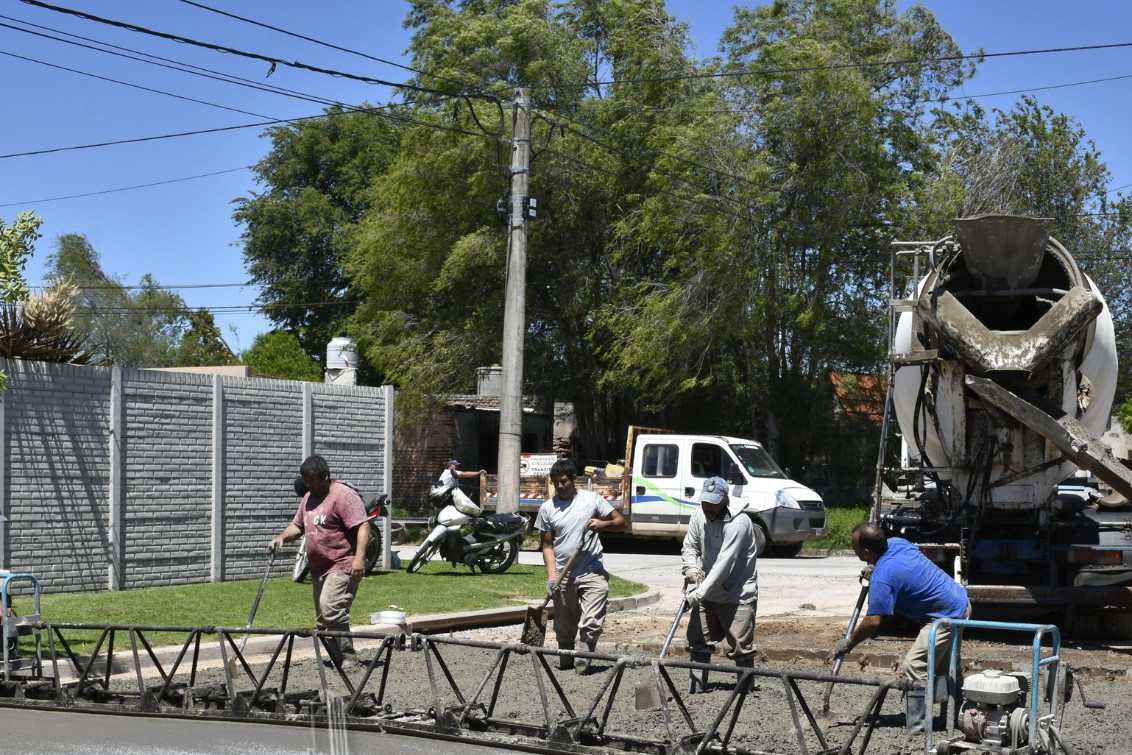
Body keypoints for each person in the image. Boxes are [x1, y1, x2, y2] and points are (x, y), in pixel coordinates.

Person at [833, 522, 970, 732]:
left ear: (867, 551)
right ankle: (953, 718)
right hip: (959, 602)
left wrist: (849, 642)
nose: (853, 549)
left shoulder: (883, 577)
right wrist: (877, 567)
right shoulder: (898, 543)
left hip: (945, 618)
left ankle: (918, 724)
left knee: (915, 666)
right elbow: (901, 568)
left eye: (855, 546)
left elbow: (873, 621)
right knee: (945, 667)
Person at [269, 455, 371, 668]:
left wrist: (360, 558)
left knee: (330, 609)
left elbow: (363, 526)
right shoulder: (308, 498)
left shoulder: (343, 496)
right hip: (319, 569)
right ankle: (338, 660)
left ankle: (349, 659)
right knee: (322, 621)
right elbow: (298, 527)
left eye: (313, 480)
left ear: (326, 477)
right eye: (306, 480)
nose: (309, 484)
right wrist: (281, 537)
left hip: (342, 564)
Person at [535, 459, 626, 673]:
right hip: (563, 574)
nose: (560, 486)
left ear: (574, 479)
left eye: (564, 481)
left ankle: (583, 663)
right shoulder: (548, 508)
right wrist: (551, 578)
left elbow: (621, 523)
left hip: (591, 570)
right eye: (556, 482)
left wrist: (603, 524)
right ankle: (566, 661)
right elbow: (547, 546)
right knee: (564, 626)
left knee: (592, 621)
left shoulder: (592, 500)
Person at [681, 476, 759, 693]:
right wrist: (691, 570)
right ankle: (696, 691)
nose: (708, 508)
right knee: (697, 641)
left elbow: (724, 564)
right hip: (706, 591)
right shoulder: (699, 514)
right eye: (705, 502)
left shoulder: (739, 523)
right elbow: (690, 546)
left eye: (714, 503)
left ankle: (745, 692)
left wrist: (697, 595)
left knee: (741, 647)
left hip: (737, 592)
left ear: (725, 500)